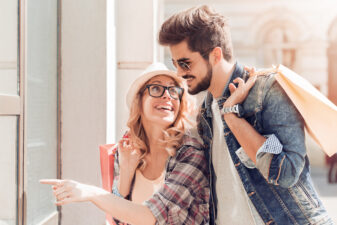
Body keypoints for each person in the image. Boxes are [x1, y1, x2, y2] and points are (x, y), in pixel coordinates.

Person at [158, 5, 333, 225]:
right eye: (175, 64)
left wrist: (232, 116)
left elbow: (286, 172)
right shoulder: (205, 112)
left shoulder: (267, 90)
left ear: (215, 54)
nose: (180, 73)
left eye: (185, 63)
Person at [41, 63, 210, 225]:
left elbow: (153, 217)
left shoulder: (191, 151)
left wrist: (91, 192)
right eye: (157, 88)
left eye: (174, 90)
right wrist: (126, 172)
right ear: (140, 100)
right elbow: (117, 218)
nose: (167, 95)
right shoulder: (128, 148)